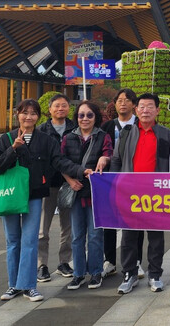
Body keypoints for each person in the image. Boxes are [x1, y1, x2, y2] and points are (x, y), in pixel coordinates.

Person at [0, 99, 77, 303]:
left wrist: (79, 172)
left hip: (34, 195)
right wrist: (13, 149)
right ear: (17, 114)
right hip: (11, 195)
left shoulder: (45, 140)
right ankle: (13, 285)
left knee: (29, 241)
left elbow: (59, 161)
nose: (28, 117)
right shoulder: (6, 138)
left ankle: (28, 286)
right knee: (13, 241)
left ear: (38, 116)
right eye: (24, 112)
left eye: (33, 113)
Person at [111, 93, 170, 294]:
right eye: (142, 106)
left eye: (150, 106)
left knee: (156, 236)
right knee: (128, 236)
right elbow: (116, 160)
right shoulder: (127, 132)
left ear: (158, 110)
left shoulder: (165, 134)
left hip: (156, 193)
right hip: (130, 193)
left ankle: (155, 274)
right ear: (136, 110)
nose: (146, 110)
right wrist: (115, 185)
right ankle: (129, 274)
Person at [61, 100, 113, 291]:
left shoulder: (103, 136)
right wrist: (70, 181)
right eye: (81, 115)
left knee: (95, 235)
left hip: (95, 194)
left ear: (95, 117)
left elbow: (109, 154)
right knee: (76, 236)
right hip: (76, 192)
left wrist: (105, 158)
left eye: (89, 115)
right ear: (76, 117)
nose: (85, 119)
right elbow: (61, 162)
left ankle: (96, 272)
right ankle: (79, 274)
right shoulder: (68, 137)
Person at [100, 88, 143, 279]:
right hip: (111, 180)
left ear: (134, 105)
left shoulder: (141, 125)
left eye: (127, 100)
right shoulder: (107, 126)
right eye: (119, 100)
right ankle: (109, 261)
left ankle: (137, 261)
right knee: (109, 221)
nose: (123, 103)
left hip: (135, 180)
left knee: (136, 221)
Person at [36, 93, 75, 282]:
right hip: (48, 185)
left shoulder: (75, 129)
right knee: (42, 228)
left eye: (64, 105)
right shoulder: (41, 131)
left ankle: (64, 262)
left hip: (69, 185)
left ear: (69, 108)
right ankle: (41, 265)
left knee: (68, 227)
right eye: (57, 105)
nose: (60, 108)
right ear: (49, 109)